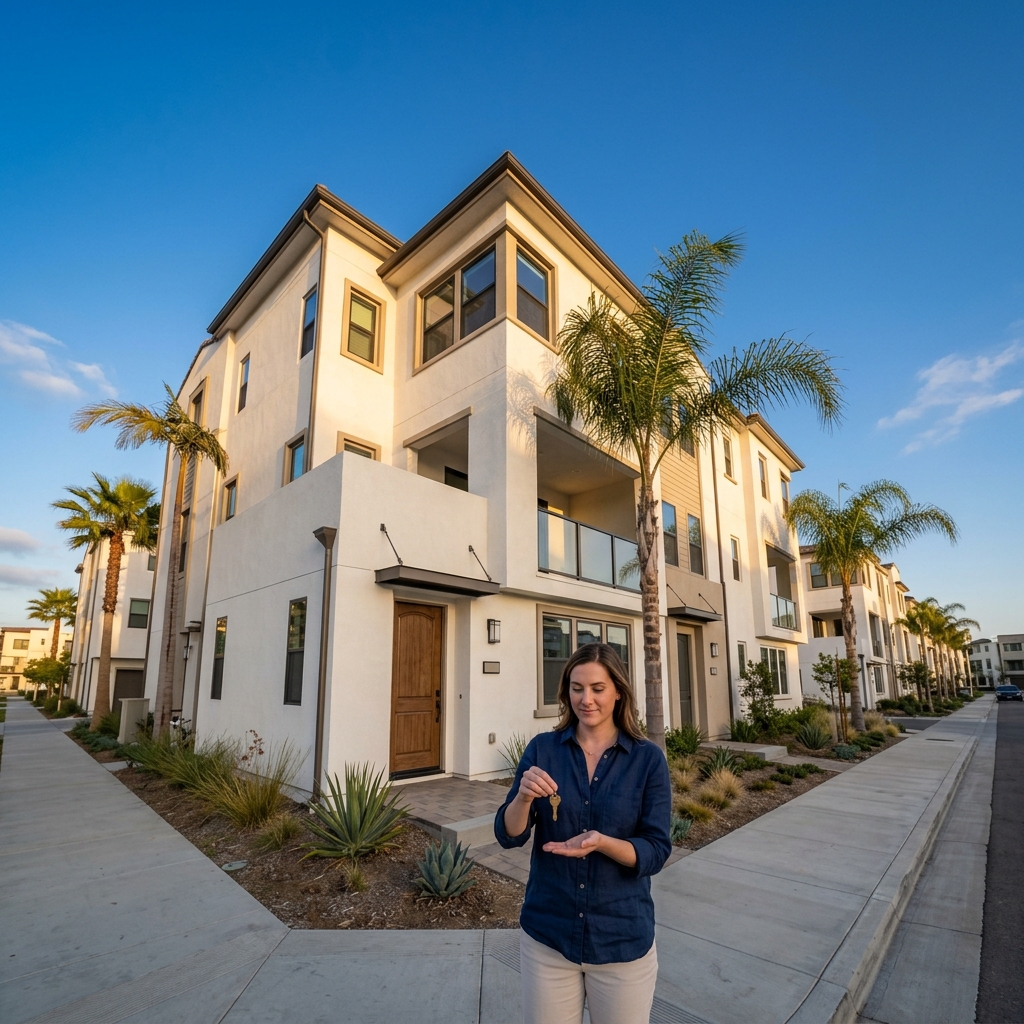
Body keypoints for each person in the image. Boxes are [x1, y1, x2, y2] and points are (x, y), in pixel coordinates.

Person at [494, 642, 672, 1024]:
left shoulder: (647, 759)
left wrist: (603, 843)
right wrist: (523, 798)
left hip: (621, 940)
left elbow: (656, 850)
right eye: (577, 688)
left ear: (618, 691)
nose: (586, 699)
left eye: (597, 688)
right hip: (549, 937)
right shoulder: (543, 750)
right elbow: (510, 835)